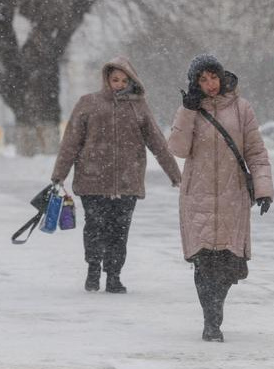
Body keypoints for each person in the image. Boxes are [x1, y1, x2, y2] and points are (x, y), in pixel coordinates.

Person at [51, 56, 181, 294]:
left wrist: (175, 174)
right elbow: (71, 142)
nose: (119, 84)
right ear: (106, 80)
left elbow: (157, 143)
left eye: (124, 80)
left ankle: (114, 275)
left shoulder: (139, 106)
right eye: (114, 79)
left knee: (119, 231)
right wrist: (59, 174)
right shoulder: (88, 103)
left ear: (132, 81)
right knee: (94, 227)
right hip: (92, 180)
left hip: (127, 181)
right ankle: (93, 269)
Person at [168, 54, 274, 342]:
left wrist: (263, 189)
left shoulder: (242, 109)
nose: (210, 84)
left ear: (222, 76)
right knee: (204, 262)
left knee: (228, 264)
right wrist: (187, 111)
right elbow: (177, 148)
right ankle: (211, 321)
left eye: (213, 77)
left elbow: (255, 151)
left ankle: (216, 308)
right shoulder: (190, 109)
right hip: (198, 196)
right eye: (202, 80)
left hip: (233, 196)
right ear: (195, 83)